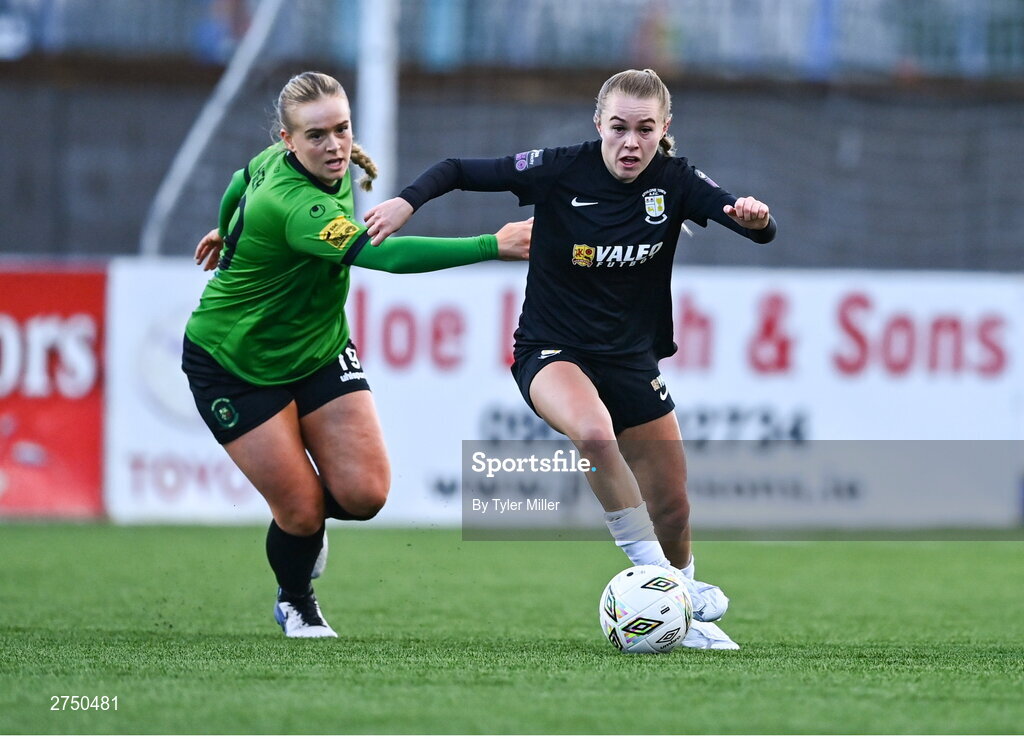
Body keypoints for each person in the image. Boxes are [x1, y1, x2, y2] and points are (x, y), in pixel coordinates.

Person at [364, 68, 777, 650]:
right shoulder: (560, 168)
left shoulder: (675, 180)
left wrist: (755, 218)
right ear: (598, 124)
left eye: (644, 129)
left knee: (674, 508)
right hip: (551, 350)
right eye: (618, 128)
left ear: (664, 129)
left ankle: (683, 610)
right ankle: (660, 581)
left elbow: (751, 224)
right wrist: (407, 203)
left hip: (631, 359)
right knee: (592, 431)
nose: (630, 143)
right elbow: (456, 170)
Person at [181, 71, 532, 638]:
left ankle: (304, 536)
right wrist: (495, 244)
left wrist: (227, 231)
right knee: (299, 512)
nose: (335, 146)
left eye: (341, 130)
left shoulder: (286, 164)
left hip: (318, 348)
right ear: (287, 139)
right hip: (234, 364)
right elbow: (383, 258)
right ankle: (295, 597)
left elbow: (235, 180)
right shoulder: (293, 205)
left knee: (366, 495)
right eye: (316, 136)